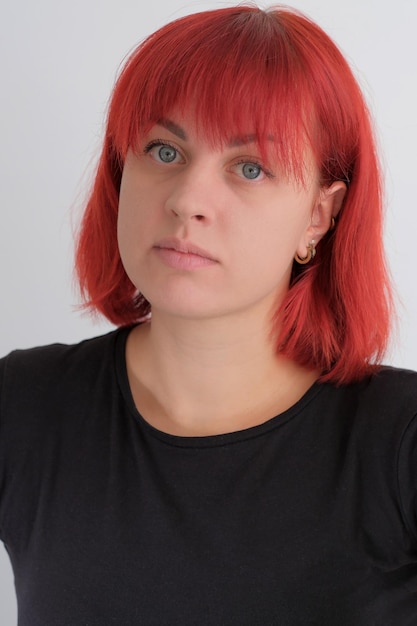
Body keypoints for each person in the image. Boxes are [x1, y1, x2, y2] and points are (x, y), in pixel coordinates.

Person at [1, 4, 416, 625]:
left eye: (250, 167)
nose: (188, 199)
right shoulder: (24, 407)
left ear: (318, 217)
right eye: (164, 151)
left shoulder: (399, 440)